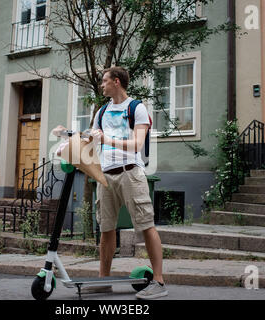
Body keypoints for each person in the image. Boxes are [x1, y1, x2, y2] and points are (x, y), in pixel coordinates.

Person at [88, 66, 168, 300]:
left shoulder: (136, 108)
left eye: (104, 81)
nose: (101, 85)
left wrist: (106, 138)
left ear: (116, 82)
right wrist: (70, 139)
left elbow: (136, 144)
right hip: (106, 176)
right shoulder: (101, 112)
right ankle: (104, 281)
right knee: (106, 228)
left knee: (146, 225)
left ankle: (159, 281)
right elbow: (92, 141)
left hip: (130, 173)